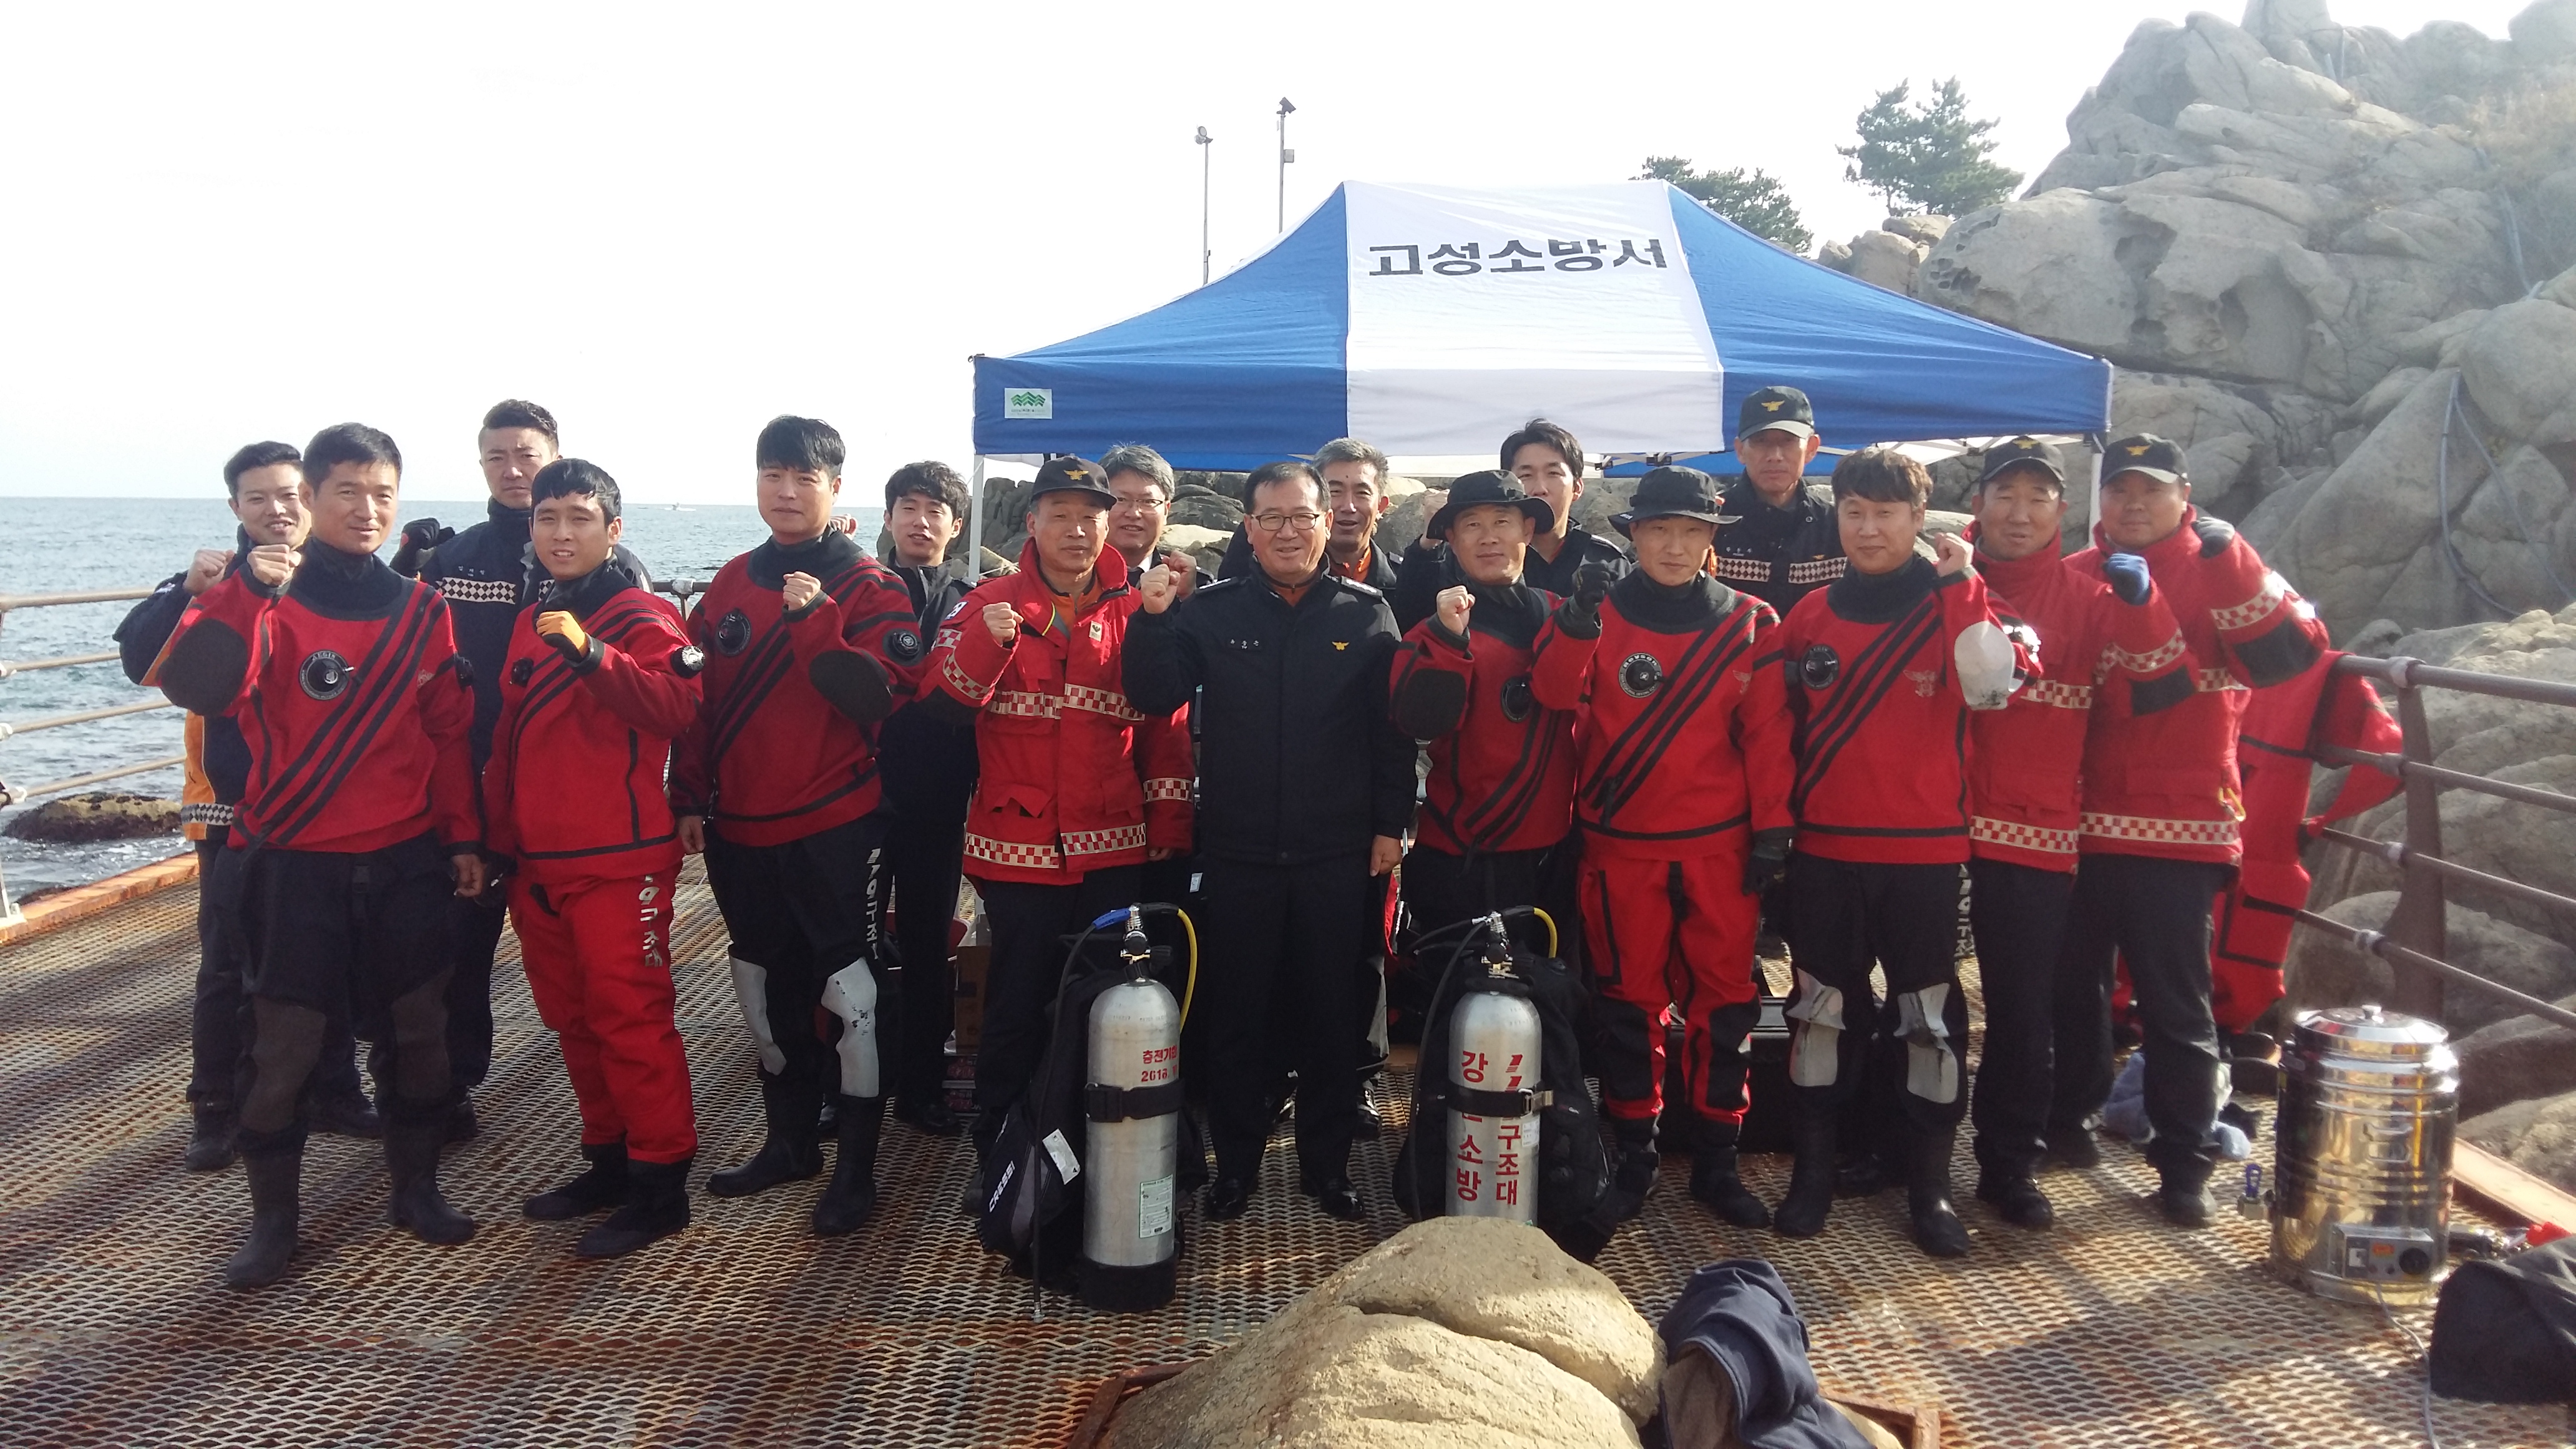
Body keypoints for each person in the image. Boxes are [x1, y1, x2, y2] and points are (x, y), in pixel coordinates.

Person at [154, 422, 484, 1289]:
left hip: (405, 857)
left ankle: (416, 1190)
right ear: (310, 499)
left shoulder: (425, 608)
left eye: (383, 493)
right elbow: (198, 685)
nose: (367, 509)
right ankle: (273, 1225)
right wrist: (241, 593)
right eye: (347, 491)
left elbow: (448, 736)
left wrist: (463, 838)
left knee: (420, 1034)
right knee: (285, 1048)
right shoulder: (266, 596)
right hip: (294, 861)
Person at [1126, 459, 1416, 1222]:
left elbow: (1391, 737)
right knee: (1238, 1020)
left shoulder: (1367, 615)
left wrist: (1390, 826)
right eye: (1272, 518)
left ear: (1327, 522)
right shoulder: (1209, 612)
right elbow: (1153, 692)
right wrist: (1151, 618)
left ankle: (1327, 1170)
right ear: (1248, 529)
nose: (1289, 531)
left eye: (1302, 516)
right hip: (1240, 853)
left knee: (1332, 1019)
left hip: (1337, 855)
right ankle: (1236, 1170)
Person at [2049, 434, 2325, 1226]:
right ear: (2100, 500)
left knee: (2178, 1005)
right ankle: (2067, 1124)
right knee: (2073, 990)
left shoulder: (2223, 562)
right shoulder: (2076, 573)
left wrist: (2231, 558)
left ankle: (2183, 1162)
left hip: (2183, 826)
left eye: (2151, 489)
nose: (2134, 503)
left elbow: (2293, 655)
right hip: (2079, 823)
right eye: (2120, 490)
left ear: (2184, 495)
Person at [1773, 448, 2034, 1257]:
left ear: (1920, 517)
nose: (1868, 528)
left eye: (1886, 512)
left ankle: (1931, 1190)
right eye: (1854, 511)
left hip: (1924, 855)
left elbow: (1995, 691)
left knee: (1929, 1022)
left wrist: (1962, 587)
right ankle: (1814, 1175)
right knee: (1820, 1014)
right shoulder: (1809, 614)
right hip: (1824, 849)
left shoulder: (1959, 600)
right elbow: (1772, 732)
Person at [672, 415, 924, 1236]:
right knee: (762, 987)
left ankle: (856, 1171)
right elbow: (699, 704)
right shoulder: (729, 582)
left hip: (833, 825)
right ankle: (789, 1143)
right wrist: (689, 796)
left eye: (804, 478)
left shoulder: (872, 587)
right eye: (772, 474)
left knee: (851, 996)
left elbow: (875, 698)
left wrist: (816, 619)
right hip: (741, 829)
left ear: (835, 488)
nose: (785, 491)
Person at [1528, 465, 1793, 1228]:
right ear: (1635, 535)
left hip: (1720, 850)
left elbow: (1769, 738)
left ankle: (1717, 1162)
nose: (1675, 546)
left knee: (1726, 1007)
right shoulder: (1596, 613)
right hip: (1621, 850)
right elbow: (1552, 694)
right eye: (1659, 531)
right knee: (1628, 1009)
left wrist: (1774, 832)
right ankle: (1636, 1159)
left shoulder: (1753, 621)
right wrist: (1576, 619)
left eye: (1691, 532)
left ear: (1712, 540)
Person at [924, 454, 1194, 1176]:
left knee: (1105, 1000)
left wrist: (1170, 821)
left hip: (1115, 849)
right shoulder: (986, 604)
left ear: (1109, 525)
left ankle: (1088, 1149)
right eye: (1061, 515)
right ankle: (1001, 1154)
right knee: (1016, 1004)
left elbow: (1165, 726)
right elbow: (941, 704)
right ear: (1032, 522)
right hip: (1018, 850)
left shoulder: (1140, 610)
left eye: (1090, 517)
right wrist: (989, 643)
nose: (1077, 529)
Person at [389, 400, 650, 1142]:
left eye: (526, 455)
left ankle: (623, 1134)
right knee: (456, 948)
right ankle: (450, 1089)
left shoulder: (614, 569)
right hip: (469, 780)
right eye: (496, 456)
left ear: (554, 457)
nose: (512, 470)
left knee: (596, 977)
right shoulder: (453, 560)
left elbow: (649, 686)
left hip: (570, 803)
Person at [119, 441, 381, 1171]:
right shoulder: (213, 582)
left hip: (323, 809)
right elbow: (141, 661)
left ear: (313, 498)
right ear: (236, 507)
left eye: (291, 495)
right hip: (231, 808)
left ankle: (334, 1091)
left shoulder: (341, 582)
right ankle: (216, 1107)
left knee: (332, 953)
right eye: (260, 498)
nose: (279, 510)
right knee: (228, 965)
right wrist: (186, 593)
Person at [1957, 439, 2190, 1232]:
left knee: (2023, 1011)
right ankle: (1895, 1146)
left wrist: (2143, 602)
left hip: (2035, 835)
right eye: (2005, 495)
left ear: (2063, 510)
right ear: (1978, 504)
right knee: (1917, 1001)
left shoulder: (2092, 598)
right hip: (1925, 827)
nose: (2020, 513)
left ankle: (2008, 1164)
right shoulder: (1942, 582)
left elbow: (2158, 691)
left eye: (2038, 497)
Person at [481, 459, 702, 1258]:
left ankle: (661, 1185)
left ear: (613, 530)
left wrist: (592, 655)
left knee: (631, 1019)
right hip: (538, 863)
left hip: (619, 861)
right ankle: (609, 1162)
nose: (561, 533)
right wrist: (491, 843)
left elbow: (678, 706)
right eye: (548, 519)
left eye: (579, 518)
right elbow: (506, 744)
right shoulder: (533, 616)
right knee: (572, 1020)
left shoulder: (641, 615)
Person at [1387, 471, 1578, 949]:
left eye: (1502, 522)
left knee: (1556, 984)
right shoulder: (1434, 630)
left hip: (1555, 852)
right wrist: (1449, 640)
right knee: (1458, 989)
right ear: (1451, 539)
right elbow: (1420, 722)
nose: (1489, 537)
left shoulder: (1564, 615)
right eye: (1472, 525)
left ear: (1528, 530)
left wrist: (1584, 625)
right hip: (1461, 858)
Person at [869, 461, 980, 1136]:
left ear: (956, 526)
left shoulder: (973, 600)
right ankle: (847, 1086)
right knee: (851, 947)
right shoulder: (861, 591)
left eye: (935, 510)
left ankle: (920, 1089)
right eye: (908, 508)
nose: (920, 521)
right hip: (860, 797)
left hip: (940, 799)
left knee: (928, 941)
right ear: (888, 519)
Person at [1712, 388, 1845, 617]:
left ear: (1811, 448)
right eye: (1761, 441)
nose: (1775, 455)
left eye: (1788, 441)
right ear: (1740, 450)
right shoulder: (1712, 523)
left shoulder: (1837, 527)